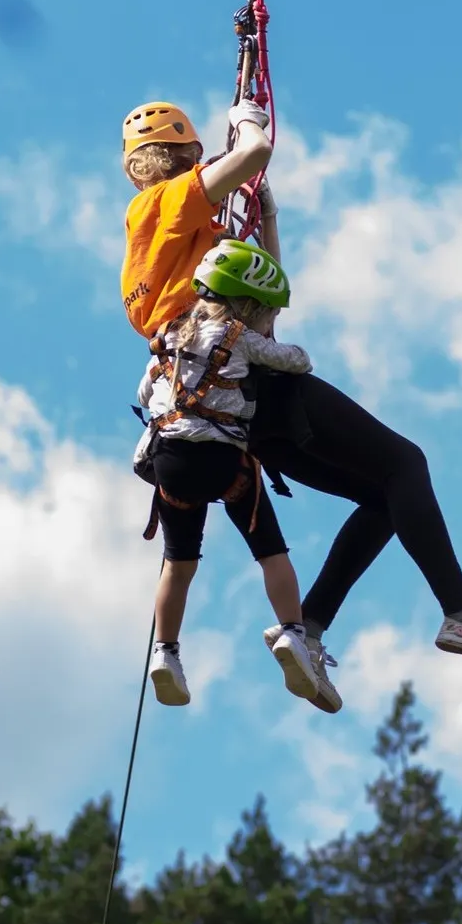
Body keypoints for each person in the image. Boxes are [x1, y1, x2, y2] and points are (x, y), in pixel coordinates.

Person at [117, 97, 462, 717]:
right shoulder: (161, 204)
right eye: (196, 153)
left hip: (222, 409)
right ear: (179, 157)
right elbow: (255, 153)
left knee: (385, 497)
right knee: (406, 464)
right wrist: (247, 119)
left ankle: (307, 633)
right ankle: (461, 615)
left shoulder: (172, 250)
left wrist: (266, 221)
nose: (205, 160)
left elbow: (265, 298)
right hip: (251, 385)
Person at [131, 239, 325, 709]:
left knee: (179, 565)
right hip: (223, 460)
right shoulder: (240, 338)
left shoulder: (168, 333)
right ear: (246, 304)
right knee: (270, 552)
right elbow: (299, 360)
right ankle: (294, 633)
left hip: (168, 461)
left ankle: (166, 652)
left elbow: (143, 394)